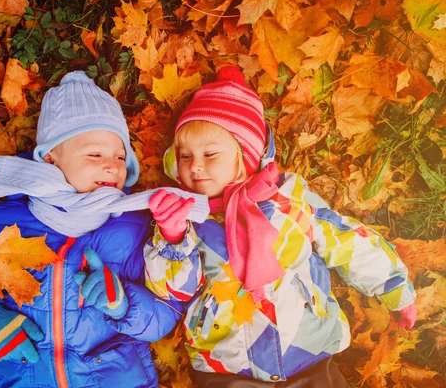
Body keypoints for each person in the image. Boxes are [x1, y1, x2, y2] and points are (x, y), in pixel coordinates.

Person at [144, 66, 417, 387]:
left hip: (308, 351)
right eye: (185, 155)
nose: (195, 166)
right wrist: (173, 238)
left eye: (210, 154)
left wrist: (392, 284)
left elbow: (344, 238)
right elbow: (173, 291)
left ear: (246, 155)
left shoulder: (288, 197)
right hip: (225, 364)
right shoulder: (184, 217)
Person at [0, 71, 208, 388]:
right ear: (50, 159)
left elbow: (166, 313)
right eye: (95, 154)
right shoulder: (0, 224)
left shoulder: (131, 229)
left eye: (121, 156)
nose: (113, 165)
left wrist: (123, 304)